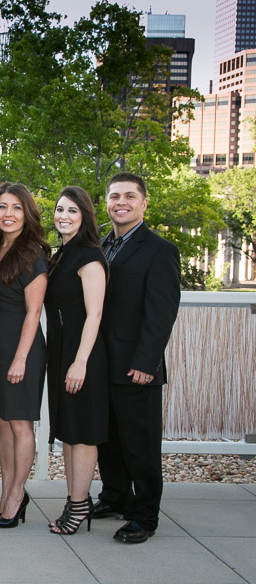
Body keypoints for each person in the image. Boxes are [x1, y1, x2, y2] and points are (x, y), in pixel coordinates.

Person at [93, 172, 181, 544]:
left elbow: (161, 313)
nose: (121, 202)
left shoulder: (160, 250)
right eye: (115, 196)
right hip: (101, 362)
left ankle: (144, 515)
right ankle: (115, 497)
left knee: (140, 443)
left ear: (144, 203)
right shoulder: (99, 243)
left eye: (130, 196)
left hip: (136, 365)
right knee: (107, 437)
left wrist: (147, 362)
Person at [0, 183, 49, 529]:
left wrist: (21, 358)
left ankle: (17, 495)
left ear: (28, 213)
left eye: (17, 208)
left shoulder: (32, 252)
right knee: (2, 423)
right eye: (3, 207)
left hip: (21, 348)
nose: (9, 214)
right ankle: (6, 493)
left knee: (20, 423)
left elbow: (34, 313)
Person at [44, 186, 109, 535]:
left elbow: (94, 315)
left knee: (82, 433)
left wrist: (80, 361)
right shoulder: (61, 255)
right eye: (59, 209)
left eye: (72, 211)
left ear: (84, 216)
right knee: (68, 432)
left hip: (82, 355)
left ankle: (80, 503)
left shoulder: (89, 257)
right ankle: (74, 499)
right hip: (61, 352)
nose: (63, 216)